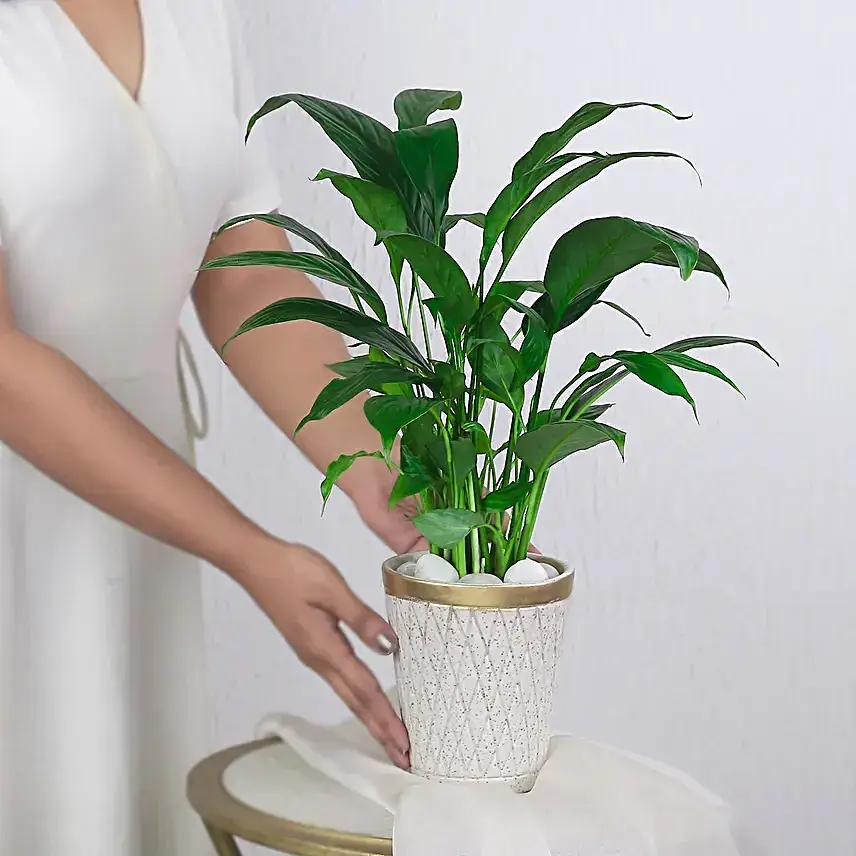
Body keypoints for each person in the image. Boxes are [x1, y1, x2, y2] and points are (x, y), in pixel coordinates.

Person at [0, 0, 421, 853]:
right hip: (21, 504)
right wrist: (247, 551)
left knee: (128, 794)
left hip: (147, 502)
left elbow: (240, 270)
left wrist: (385, 461)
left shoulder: (195, 11)